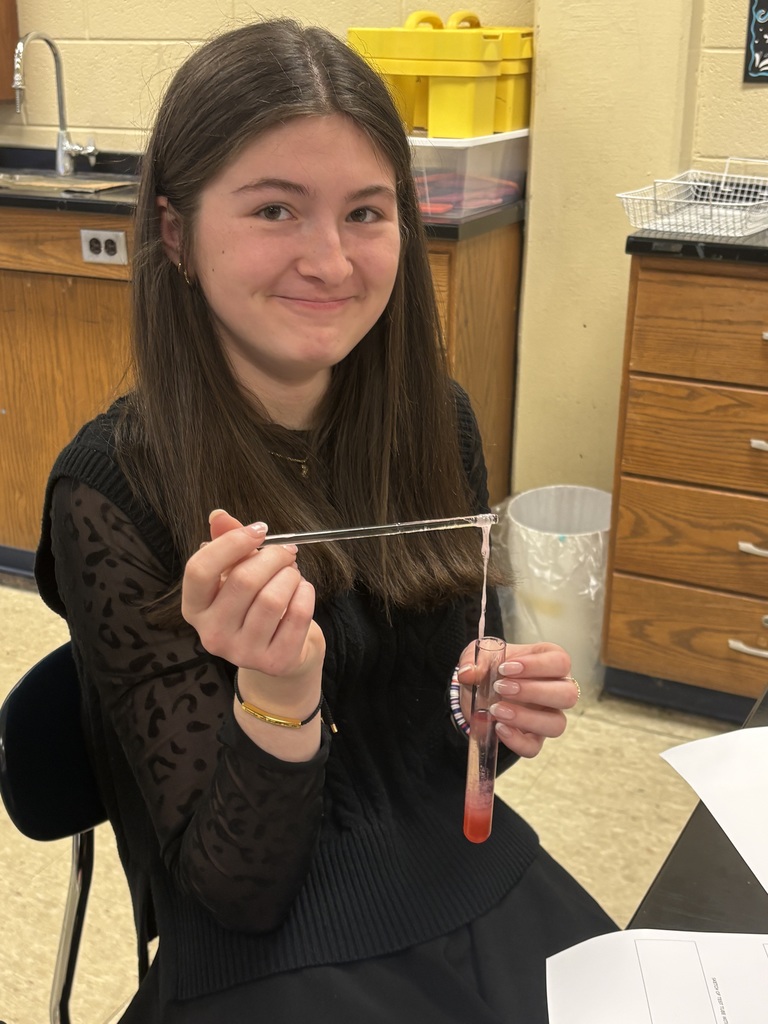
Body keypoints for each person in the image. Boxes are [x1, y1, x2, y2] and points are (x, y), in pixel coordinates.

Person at [34, 19, 616, 1023]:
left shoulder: (436, 421)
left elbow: (439, 750)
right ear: (174, 232)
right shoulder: (109, 488)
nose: (331, 260)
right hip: (271, 958)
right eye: (274, 209)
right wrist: (277, 692)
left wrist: (493, 715)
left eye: (364, 212)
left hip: (462, 882)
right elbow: (235, 891)